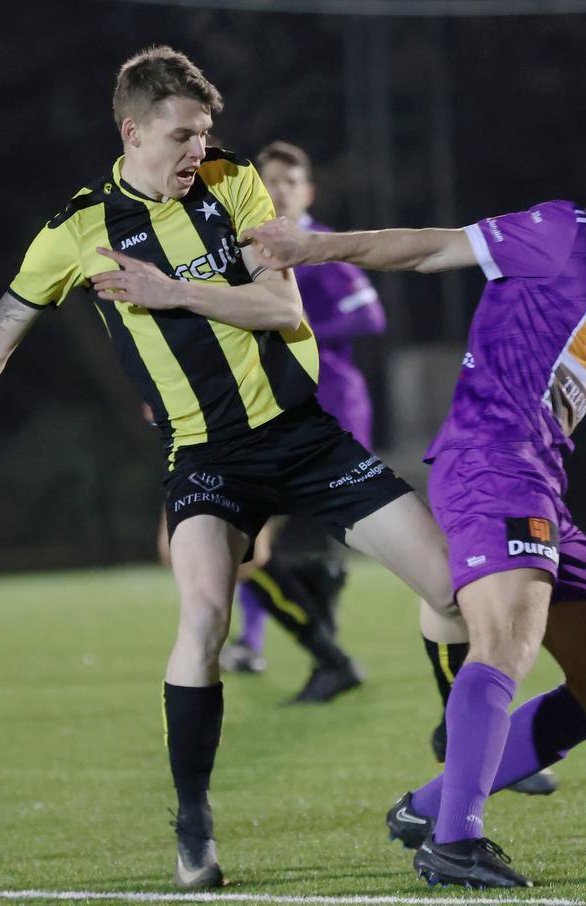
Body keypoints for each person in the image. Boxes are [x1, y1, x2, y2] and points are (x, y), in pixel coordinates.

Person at [0, 46, 458, 890]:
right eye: (183, 135)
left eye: (205, 133)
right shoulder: (77, 231)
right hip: (206, 457)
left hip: (304, 437)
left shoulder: (235, 183)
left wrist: (171, 291)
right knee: (205, 613)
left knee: (446, 586)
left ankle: (455, 759)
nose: (198, 149)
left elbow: (280, 305)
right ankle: (193, 819)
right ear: (132, 130)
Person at [245, 121, 586, 888]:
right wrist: (313, 247)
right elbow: (427, 246)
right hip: (493, 464)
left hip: (541, 478)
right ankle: (455, 841)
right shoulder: (562, 232)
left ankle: (429, 806)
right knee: (504, 641)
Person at [216, 140, 386, 704]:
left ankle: (312, 643)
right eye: (271, 181)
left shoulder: (314, 247)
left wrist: (297, 327)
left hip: (326, 406)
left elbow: (370, 316)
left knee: (239, 539)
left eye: (291, 181)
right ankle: (317, 608)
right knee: (243, 539)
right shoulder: (245, 245)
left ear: (307, 192)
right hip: (273, 410)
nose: (281, 190)